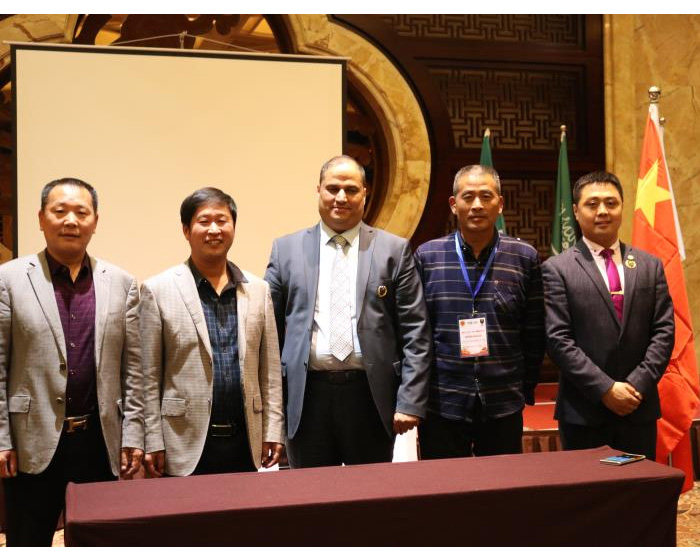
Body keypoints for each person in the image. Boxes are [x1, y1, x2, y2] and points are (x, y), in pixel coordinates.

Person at [0, 178, 143, 546]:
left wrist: (133, 434)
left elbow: (133, 370)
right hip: (30, 441)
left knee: (100, 543)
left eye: (81, 212)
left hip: (99, 441)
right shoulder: (8, 279)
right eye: (59, 211)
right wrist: (1, 439)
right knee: (27, 543)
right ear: (41, 218)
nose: (70, 221)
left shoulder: (122, 283)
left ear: (95, 221)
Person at [265, 155, 432, 468]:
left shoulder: (393, 251)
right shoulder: (285, 250)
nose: (341, 197)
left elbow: (416, 332)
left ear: (365, 193)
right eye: (333, 188)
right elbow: (267, 334)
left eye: (351, 190)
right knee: (310, 493)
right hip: (306, 397)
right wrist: (272, 410)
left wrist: (410, 400)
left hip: (370, 396)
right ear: (318, 190)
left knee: (370, 493)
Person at [140, 188, 284, 477]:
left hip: (246, 439)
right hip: (182, 440)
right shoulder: (157, 290)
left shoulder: (258, 290)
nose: (214, 229)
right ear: (186, 230)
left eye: (222, 220)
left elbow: (269, 371)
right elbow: (148, 375)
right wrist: (152, 439)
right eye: (204, 221)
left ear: (233, 227)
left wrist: (272, 430)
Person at [414, 164, 545, 458]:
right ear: (453, 204)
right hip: (443, 402)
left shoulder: (524, 257)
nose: (477, 205)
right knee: (445, 484)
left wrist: (524, 388)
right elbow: (417, 333)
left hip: (503, 401)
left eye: (486, 196)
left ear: (500, 204)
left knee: (501, 485)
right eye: (468, 196)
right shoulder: (427, 256)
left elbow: (534, 331)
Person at [542, 171, 674, 458]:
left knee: (639, 484)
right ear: (576, 211)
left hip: (637, 407)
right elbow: (558, 339)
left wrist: (636, 385)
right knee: (589, 486)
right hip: (584, 411)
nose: (602, 211)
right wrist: (605, 389)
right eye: (592, 204)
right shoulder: (557, 269)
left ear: (622, 208)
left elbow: (664, 332)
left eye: (611, 203)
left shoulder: (650, 266)